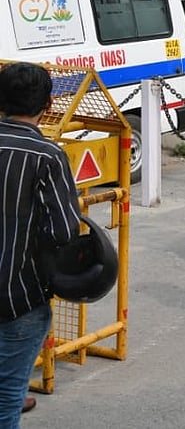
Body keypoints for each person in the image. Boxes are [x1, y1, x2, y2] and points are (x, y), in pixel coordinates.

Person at [0, 63, 81, 424]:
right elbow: (64, 231)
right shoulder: (46, 156)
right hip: (17, 297)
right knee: (6, 401)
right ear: (48, 104)